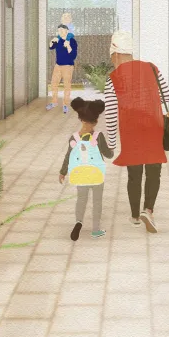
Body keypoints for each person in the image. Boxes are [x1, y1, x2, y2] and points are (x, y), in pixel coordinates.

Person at [103, 31, 169, 233]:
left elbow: (111, 115)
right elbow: (167, 95)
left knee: (134, 175)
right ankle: (148, 210)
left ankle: (134, 215)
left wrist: (112, 144)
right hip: (153, 128)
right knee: (153, 173)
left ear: (115, 54)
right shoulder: (151, 68)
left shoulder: (112, 78)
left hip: (131, 132)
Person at [59, 98, 114, 240]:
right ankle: (95, 229)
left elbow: (68, 155)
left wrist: (63, 172)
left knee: (81, 199)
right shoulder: (98, 136)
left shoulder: (74, 137)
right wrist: (111, 149)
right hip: (96, 175)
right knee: (97, 201)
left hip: (80, 175)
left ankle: (78, 222)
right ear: (95, 122)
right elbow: (108, 154)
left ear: (80, 119)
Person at [47, 24, 78, 113]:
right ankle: (54, 102)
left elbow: (73, 56)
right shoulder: (58, 40)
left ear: (66, 31)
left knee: (66, 86)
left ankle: (65, 104)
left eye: (61, 30)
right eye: (58, 30)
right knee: (54, 84)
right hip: (58, 66)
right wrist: (52, 41)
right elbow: (50, 47)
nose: (60, 32)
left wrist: (68, 46)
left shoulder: (72, 41)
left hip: (68, 66)